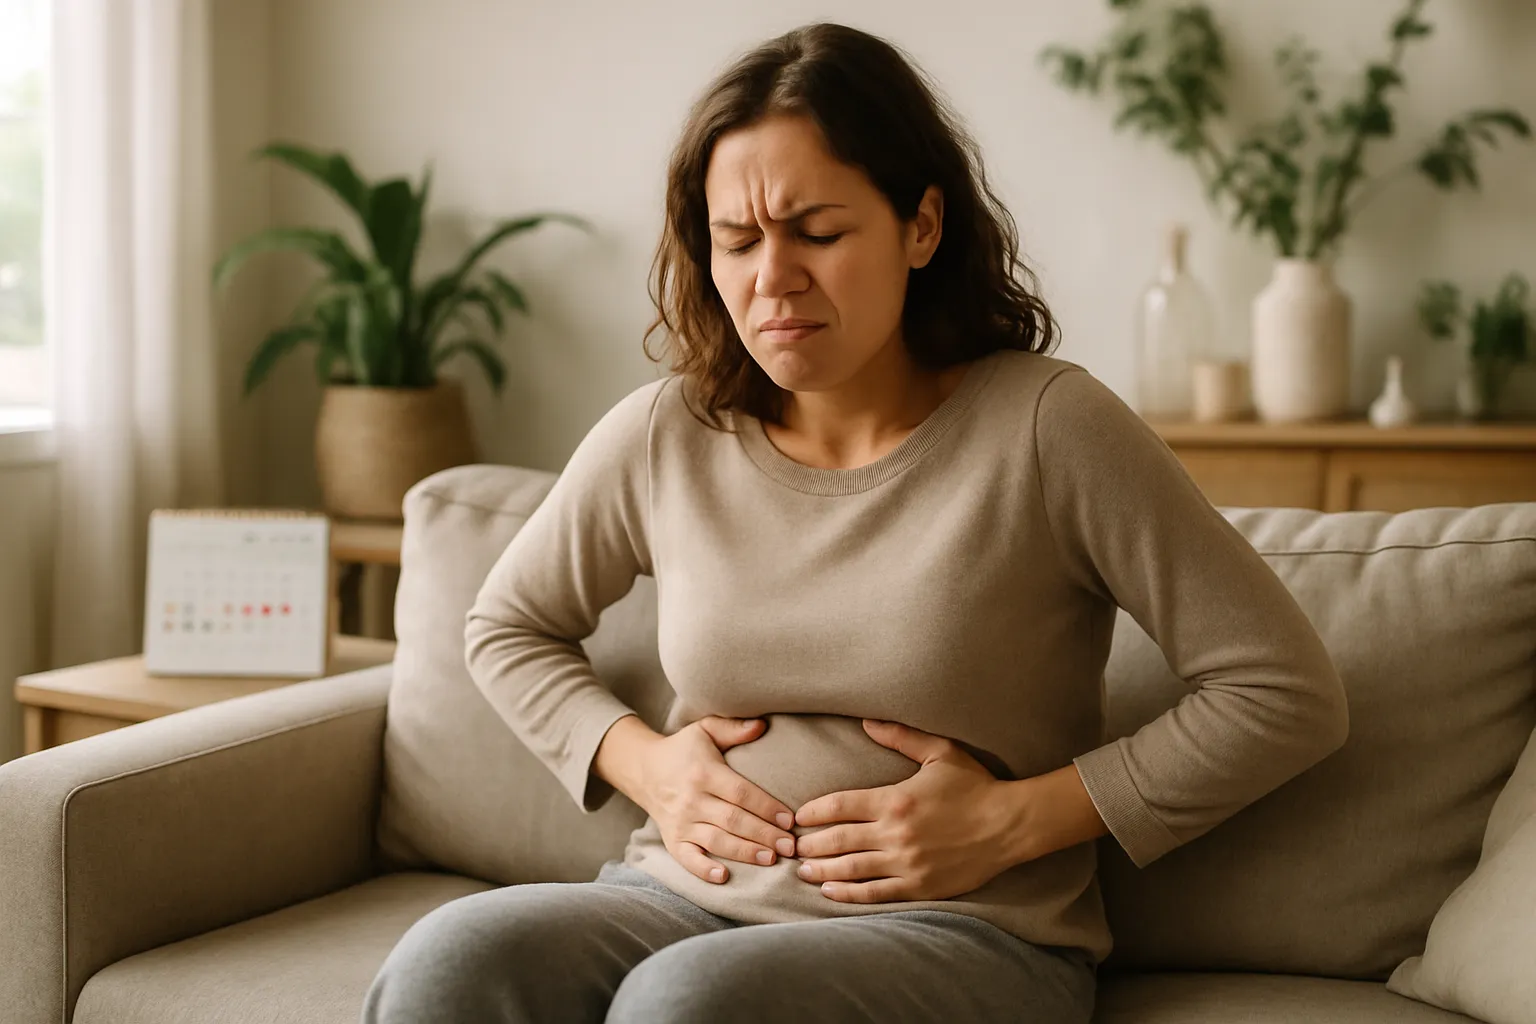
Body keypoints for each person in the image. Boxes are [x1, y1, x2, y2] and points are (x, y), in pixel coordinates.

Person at [362, 21, 1347, 1024]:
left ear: (922, 225)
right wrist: (644, 764)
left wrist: (1012, 821)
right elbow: (506, 625)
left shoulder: (1051, 427)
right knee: (450, 959)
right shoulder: (668, 432)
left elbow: (1282, 688)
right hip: (679, 900)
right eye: (737, 241)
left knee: (685, 1004)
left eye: (818, 233)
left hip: (964, 932)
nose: (772, 277)